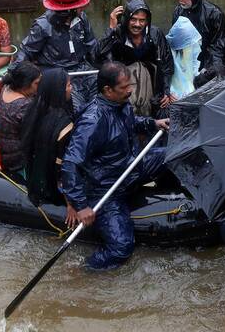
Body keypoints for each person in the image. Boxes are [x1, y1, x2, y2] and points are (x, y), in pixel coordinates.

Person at [60, 61, 170, 271]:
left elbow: (129, 121)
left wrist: (152, 123)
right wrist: (81, 205)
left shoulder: (121, 103)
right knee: (121, 248)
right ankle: (83, 270)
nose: (130, 91)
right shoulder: (92, 121)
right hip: (107, 187)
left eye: (130, 85)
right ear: (107, 90)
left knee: (171, 155)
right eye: (124, 88)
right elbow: (70, 164)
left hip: (132, 166)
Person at [17, 0, 100, 115]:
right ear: (68, 11)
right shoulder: (43, 26)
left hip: (82, 69)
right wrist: (15, 77)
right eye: (79, 6)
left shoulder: (82, 19)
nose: (83, 8)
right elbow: (26, 51)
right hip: (57, 74)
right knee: (76, 109)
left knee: (102, 97)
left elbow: (92, 47)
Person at [97, 0, 174, 116]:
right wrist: (111, 30)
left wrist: (165, 91)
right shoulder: (117, 34)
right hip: (125, 85)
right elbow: (98, 57)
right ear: (126, 19)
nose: (137, 24)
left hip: (151, 86)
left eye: (142, 20)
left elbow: (166, 64)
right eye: (133, 19)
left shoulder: (155, 34)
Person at [19, 68, 75, 208]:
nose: (72, 88)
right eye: (69, 85)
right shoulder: (64, 124)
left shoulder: (33, 112)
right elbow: (63, 166)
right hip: (53, 186)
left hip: (36, 179)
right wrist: (70, 203)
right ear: (59, 90)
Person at [0, 61, 42, 178]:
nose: (39, 86)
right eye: (37, 83)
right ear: (25, 85)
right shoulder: (24, 105)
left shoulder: (6, 88)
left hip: (4, 152)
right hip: (19, 160)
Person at [171, 0, 225, 68]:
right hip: (187, 61)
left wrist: (209, 68)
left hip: (209, 62)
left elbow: (219, 46)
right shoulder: (178, 11)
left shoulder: (214, 14)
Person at [166, 16, 202, 102]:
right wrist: (167, 92)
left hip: (191, 91)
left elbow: (195, 65)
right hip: (173, 94)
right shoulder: (166, 50)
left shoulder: (193, 45)